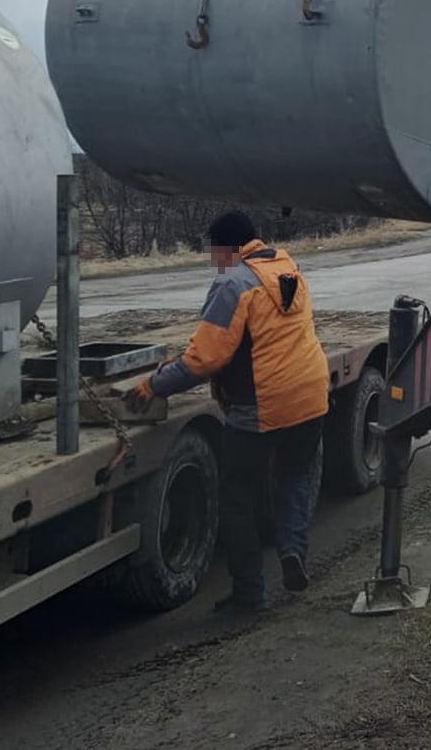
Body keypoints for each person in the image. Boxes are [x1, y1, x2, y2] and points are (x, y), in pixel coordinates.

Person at [126, 210, 330, 612]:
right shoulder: (288, 267)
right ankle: (292, 552)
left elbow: (204, 360)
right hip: (311, 398)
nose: (212, 261)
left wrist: (153, 385)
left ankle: (249, 593)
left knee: (237, 497)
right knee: (293, 479)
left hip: (261, 408)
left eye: (214, 252)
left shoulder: (234, 283)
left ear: (227, 248)